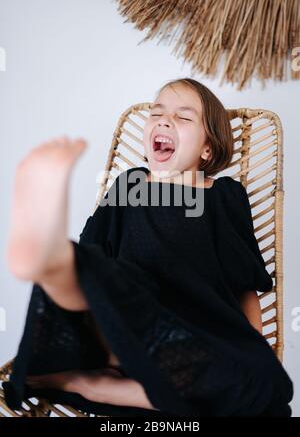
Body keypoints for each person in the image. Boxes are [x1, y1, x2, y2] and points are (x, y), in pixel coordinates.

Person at [3, 78, 293, 416]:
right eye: (156, 114)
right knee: (93, 271)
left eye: (183, 118)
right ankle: (48, 256)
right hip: (123, 319)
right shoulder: (130, 185)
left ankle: (88, 383)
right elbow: (95, 252)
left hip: (187, 340)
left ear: (207, 149)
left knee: (265, 382)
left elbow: (245, 283)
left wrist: (252, 347)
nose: (164, 120)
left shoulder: (223, 195)